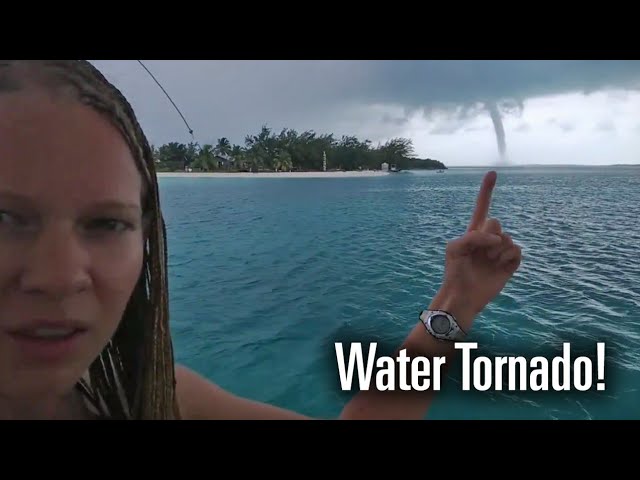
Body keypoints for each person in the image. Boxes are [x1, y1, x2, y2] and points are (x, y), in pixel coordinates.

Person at [0, 60, 522, 420]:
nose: (58, 276)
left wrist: (459, 300)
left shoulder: (144, 396)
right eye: (5, 218)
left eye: (106, 224)